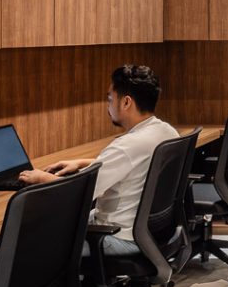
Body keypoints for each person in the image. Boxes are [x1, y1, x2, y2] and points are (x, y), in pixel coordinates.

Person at [19, 64, 179, 255]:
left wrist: (41, 178)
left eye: (110, 99)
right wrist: (81, 163)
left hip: (117, 236)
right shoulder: (166, 131)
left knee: (34, 238)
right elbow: (134, 162)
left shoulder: (126, 146)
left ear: (126, 102)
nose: (108, 106)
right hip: (150, 231)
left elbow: (78, 192)